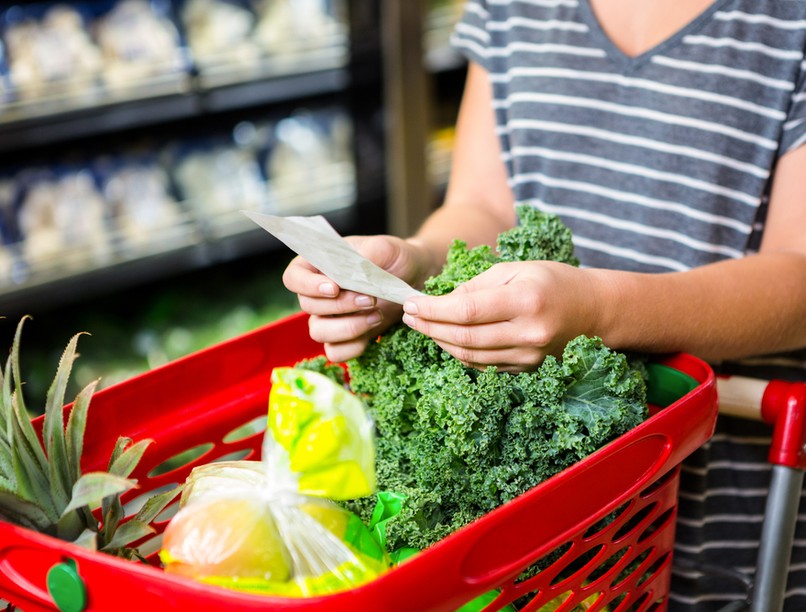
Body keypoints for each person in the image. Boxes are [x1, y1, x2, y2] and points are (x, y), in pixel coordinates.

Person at [283, 0, 806, 609]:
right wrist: (417, 260)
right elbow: (485, 207)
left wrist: (599, 314)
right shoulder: (511, 9)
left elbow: (798, 275)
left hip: (723, 513)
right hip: (539, 543)